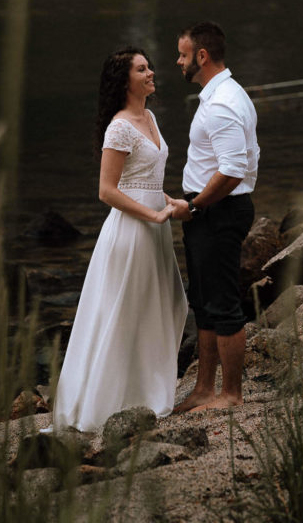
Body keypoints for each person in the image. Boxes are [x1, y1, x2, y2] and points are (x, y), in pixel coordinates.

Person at [51, 47, 188, 432]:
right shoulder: (120, 126)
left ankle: (145, 392)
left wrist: (168, 201)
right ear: (124, 81)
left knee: (162, 305)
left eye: (149, 67)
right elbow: (108, 191)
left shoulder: (152, 118)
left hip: (155, 226)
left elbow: (145, 182)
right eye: (141, 69)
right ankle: (106, 401)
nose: (151, 73)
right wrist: (153, 214)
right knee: (123, 311)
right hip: (130, 232)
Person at [168, 22, 258, 412]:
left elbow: (234, 167)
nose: (178, 61)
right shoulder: (219, 95)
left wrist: (195, 205)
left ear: (201, 56)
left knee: (223, 303)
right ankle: (205, 389)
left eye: (183, 55)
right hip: (209, 210)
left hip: (218, 211)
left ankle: (232, 395)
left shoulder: (222, 103)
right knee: (203, 302)